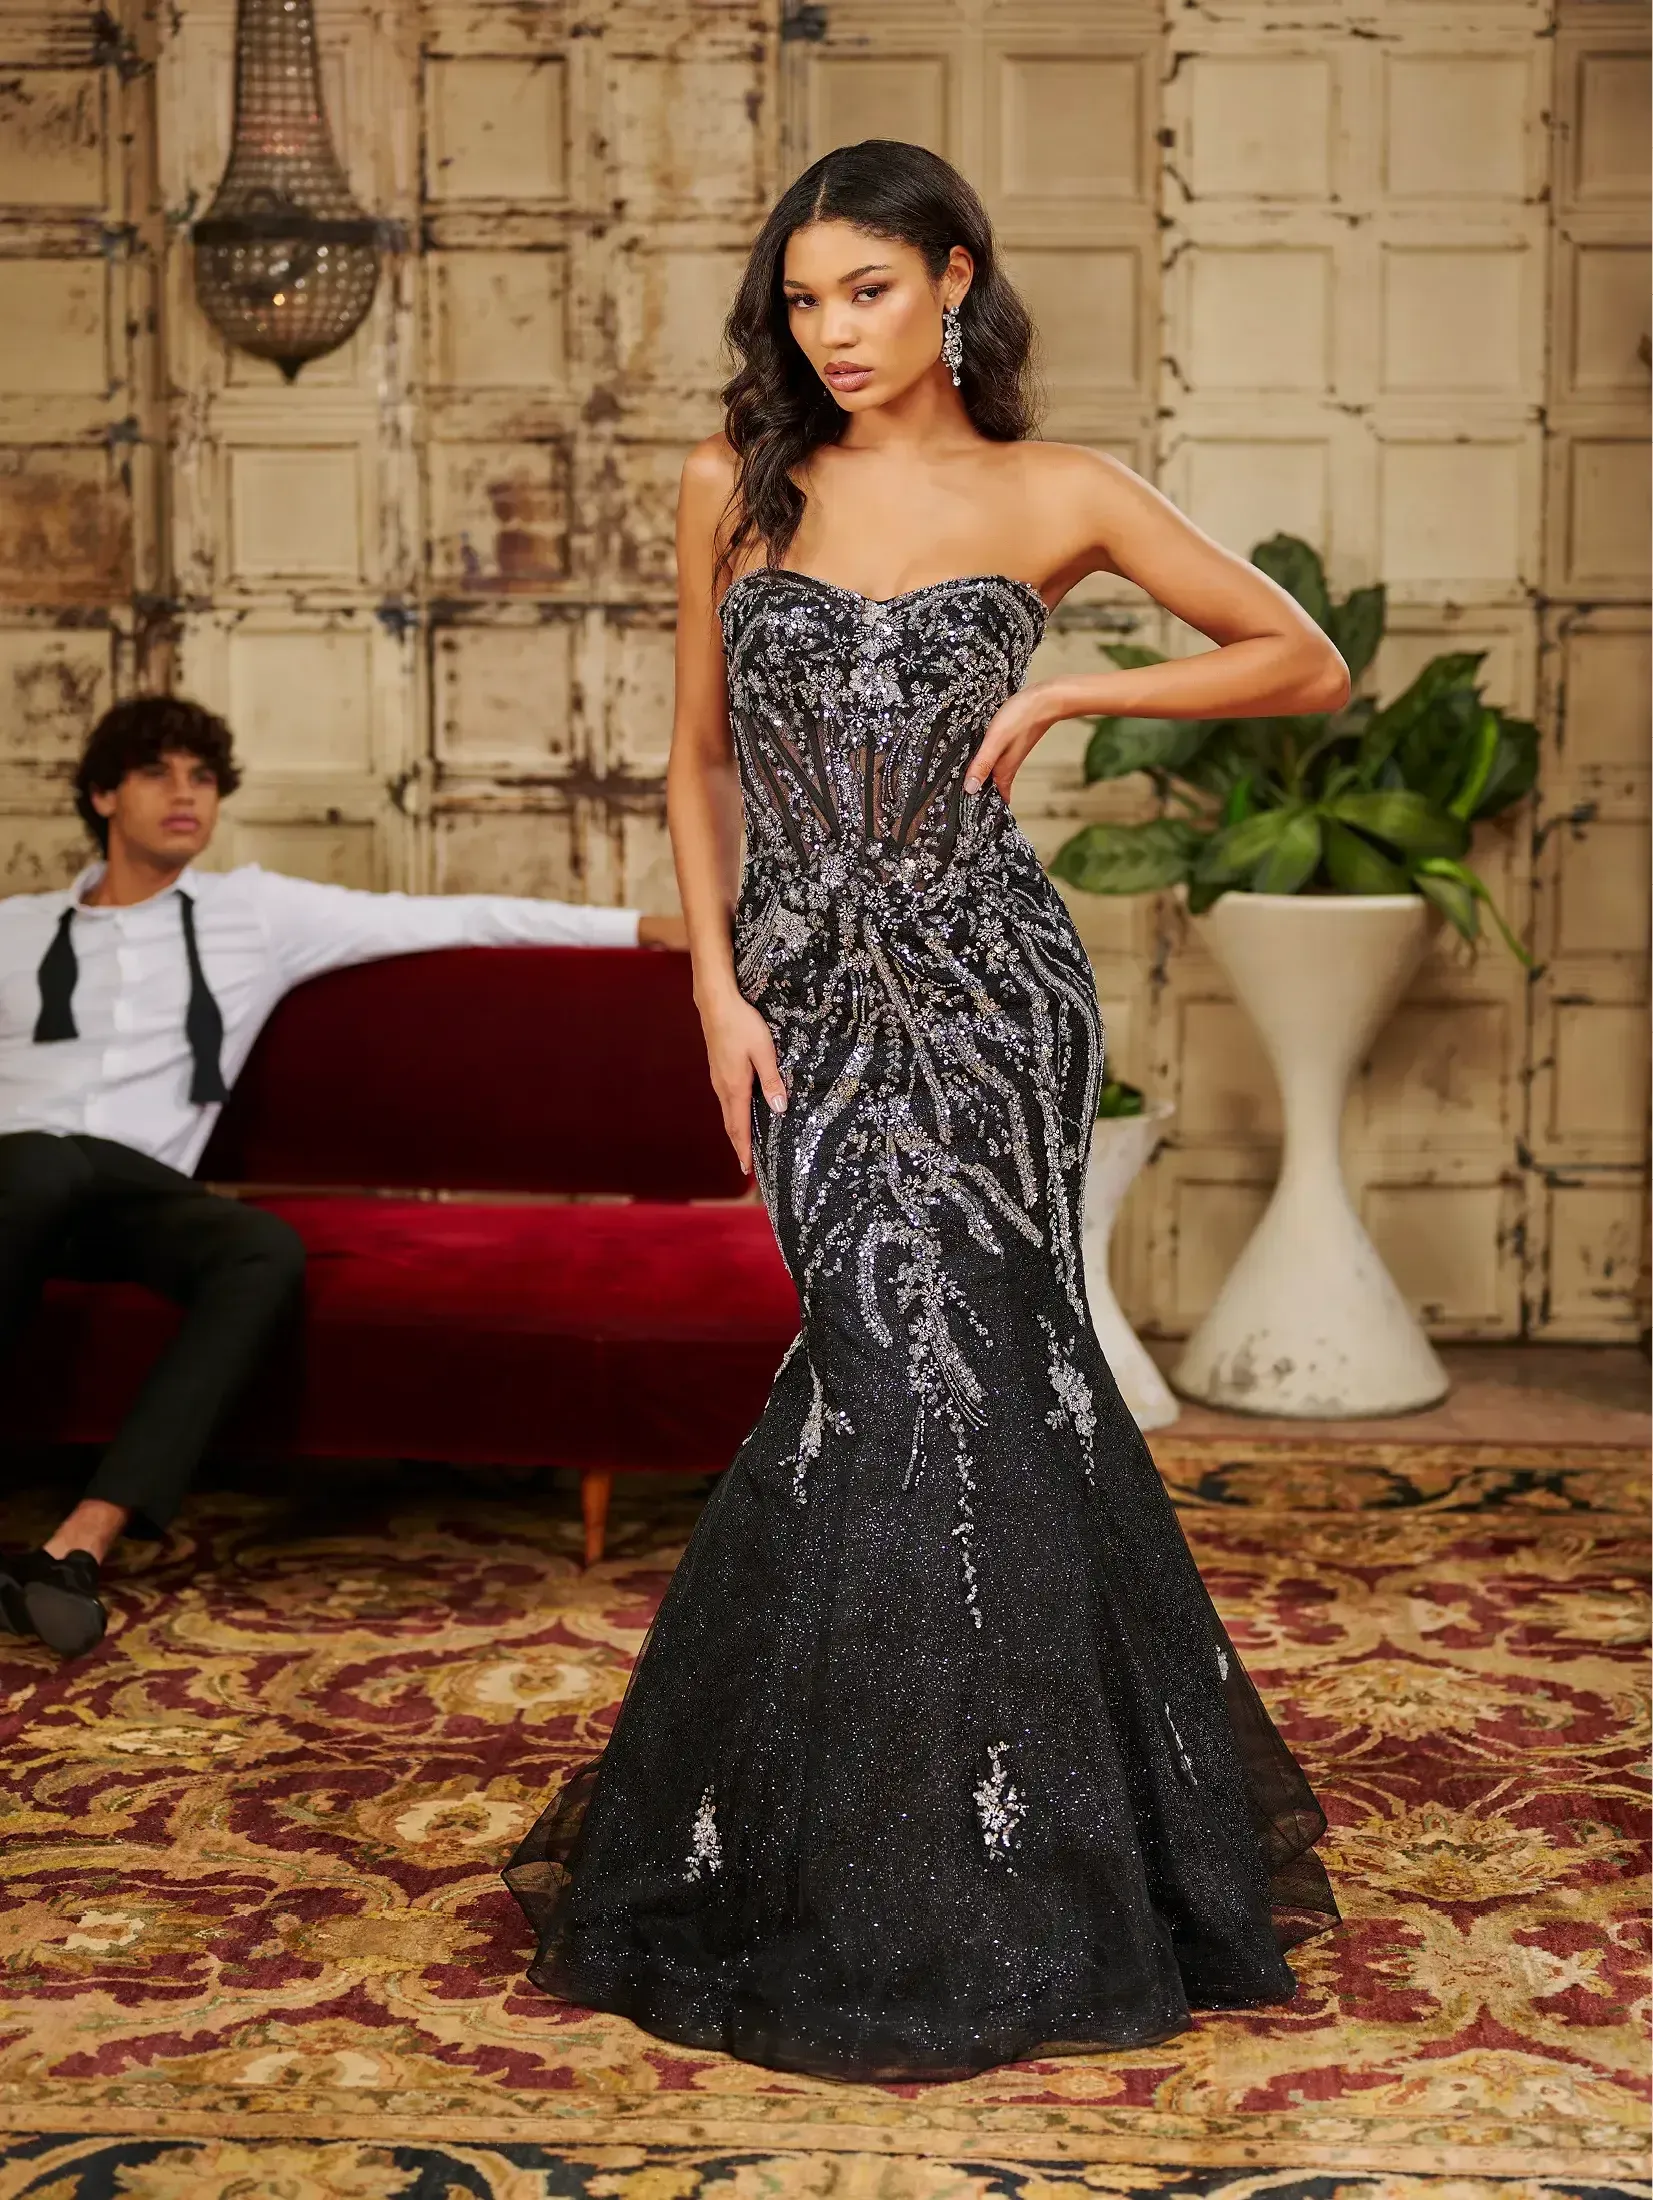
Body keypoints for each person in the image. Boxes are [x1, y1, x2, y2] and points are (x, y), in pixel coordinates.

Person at [503, 140, 1345, 2083]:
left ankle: (1013, 1863)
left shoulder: (1054, 491)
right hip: (803, 995)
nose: (831, 330)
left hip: (990, 995)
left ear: (951, 277)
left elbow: (1300, 654)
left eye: (865, 290)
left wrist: (1071, 705)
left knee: (986, 1376)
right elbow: (695, 759)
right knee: (879, 1379)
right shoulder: (742, 479)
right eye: (802, 299)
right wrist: (713, 984)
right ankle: (856, 1842)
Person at [0, 695, 684, 1659]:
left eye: (204, 778)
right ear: (105, 794)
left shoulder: (256, 914)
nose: (188, 795)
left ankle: (78, 1545)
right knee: (29, 1167)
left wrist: (642, 926)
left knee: (260, 1247)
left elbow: (460, 917)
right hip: (15, 1176)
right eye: (159, 774)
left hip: (137, 1195)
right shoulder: (15, 932)